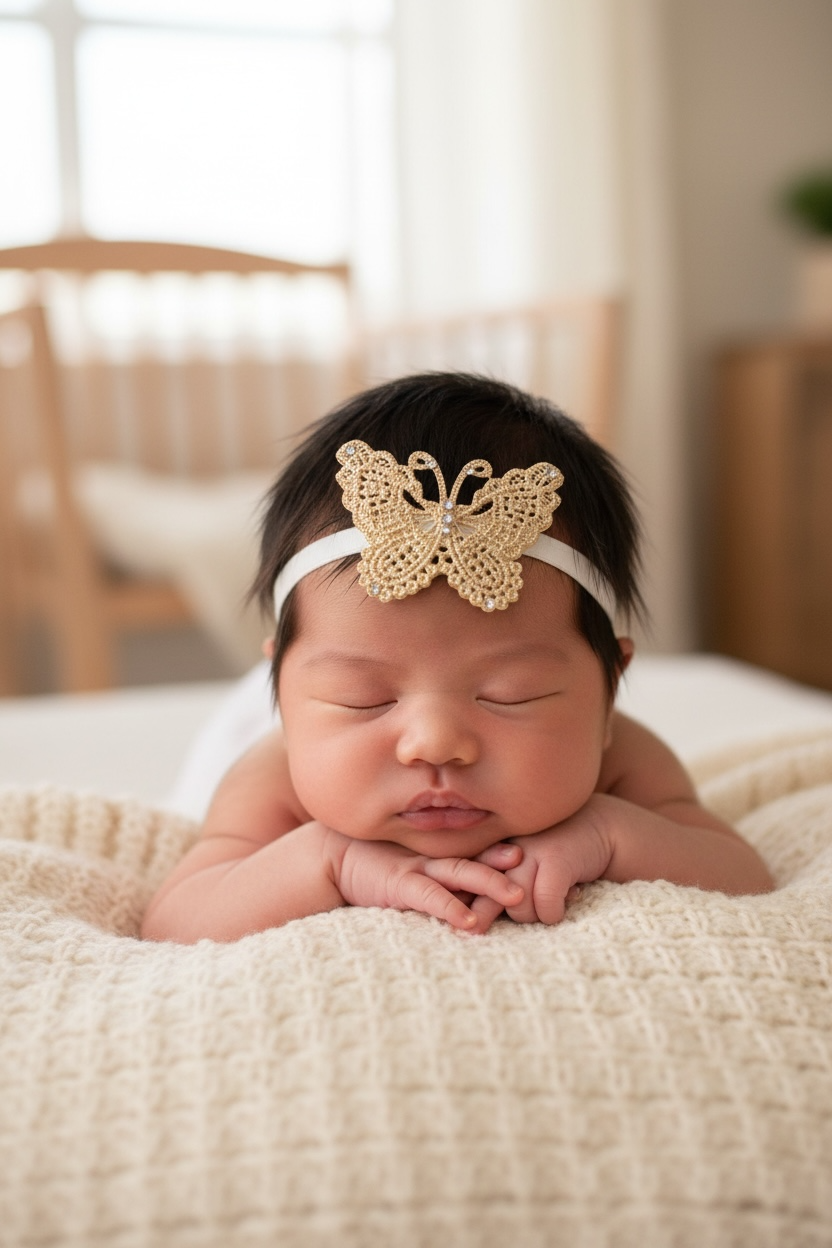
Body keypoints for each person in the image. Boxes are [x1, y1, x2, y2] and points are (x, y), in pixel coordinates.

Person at [141, 373, 773, 944]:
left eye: (512, 694)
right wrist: (330, 860)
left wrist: (610, 834)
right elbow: (178, 918)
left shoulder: (621, 765)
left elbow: (742, 874)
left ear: (607, 692)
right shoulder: (275, 776)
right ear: (286, 690)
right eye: (363, 698)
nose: (435, 744)